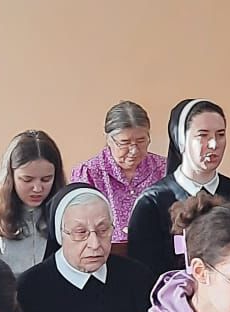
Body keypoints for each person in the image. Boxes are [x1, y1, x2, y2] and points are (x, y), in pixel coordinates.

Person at [16, 184, 151, 312]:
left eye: (103, 230)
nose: (95, 244)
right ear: (60, 234)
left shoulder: (138, 278)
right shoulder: (29, 290)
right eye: (80, 232)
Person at [126, 98, 230, 281]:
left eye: (220, 134)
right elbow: (143, 275)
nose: (214, 144)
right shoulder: (152, 203)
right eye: (203, 135)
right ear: (181, 140)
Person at [0, 130, 65, 275]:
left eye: (46, 179)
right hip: (2, 289)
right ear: (10, 177)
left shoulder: (66, 212)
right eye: (27, 180)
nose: (37, 188)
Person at [70, 100, 168, 240]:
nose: (134, 151)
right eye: (124, 143)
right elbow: (81, 226)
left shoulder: (163, 168)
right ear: (109, 140)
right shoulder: (88, 173)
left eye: (141, 141)